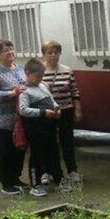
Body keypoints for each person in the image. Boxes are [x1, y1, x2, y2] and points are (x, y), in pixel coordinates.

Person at [19, 58, 71, 197]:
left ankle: (59, 179)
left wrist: (56, 109)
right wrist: (42, 112)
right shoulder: (25, 91)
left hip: (49, 127)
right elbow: (23, 110)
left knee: (53, 153)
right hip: (35, 129)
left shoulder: (42, 86)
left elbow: (51, 100)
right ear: (28, 73)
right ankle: (36, 184)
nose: (40, 79)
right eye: (37, 76)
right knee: (37, 155)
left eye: (42, 76)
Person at [0, 39, 28, 195]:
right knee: (4, 151)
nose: (10, 53)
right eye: (5, 51)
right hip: (1, 119)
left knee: (19, 148)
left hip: (18, 118)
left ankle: (16, 178)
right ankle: (6, 182)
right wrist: (11, 93)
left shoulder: (20, 68)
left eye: (11, 49)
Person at [41, 40, 83, 184]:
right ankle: (47, 171)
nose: (53, 55)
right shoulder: (39, 71)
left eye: (56, 52)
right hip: (48, 112)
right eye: (49, 52)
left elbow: (74, 92)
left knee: (67, 141)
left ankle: (72, 170)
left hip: (66, 110)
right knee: (48, 142)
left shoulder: (67, 70)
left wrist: (77, 110)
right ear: (44, 54)